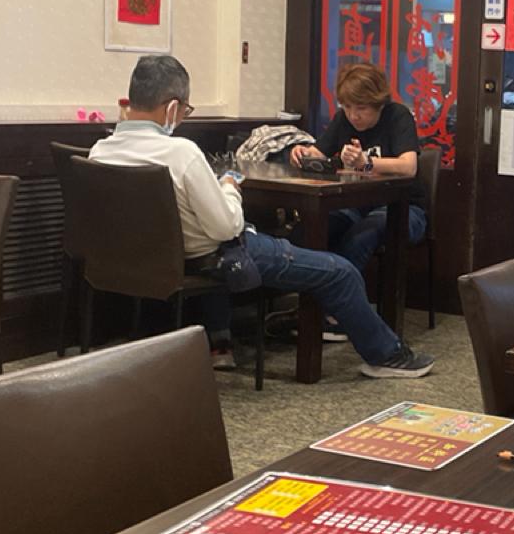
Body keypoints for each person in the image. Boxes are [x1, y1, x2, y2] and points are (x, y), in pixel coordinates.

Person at [90, 55, 433, 379]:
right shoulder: (182, 153)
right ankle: (387, 355)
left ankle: (223, 342)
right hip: (211, 258)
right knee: (340, 272)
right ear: (172, 108)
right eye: (186, 111)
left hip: (138, 263)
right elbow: (226, 227)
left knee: (333, 239)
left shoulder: (100, 151)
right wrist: (229, 187)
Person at [287, 62, 428, 276]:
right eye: (347, 107)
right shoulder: (343, 120)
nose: (353, 115)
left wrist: (366, 162)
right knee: (308, 231)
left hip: (403, 209)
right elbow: (317, 153)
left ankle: (340, 294)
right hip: (355, 205)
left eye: (361, 108)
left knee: (360, 237)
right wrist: (301, 153)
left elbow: (408, 167)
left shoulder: (397, 116)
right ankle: (310, 293)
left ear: (378, 103)